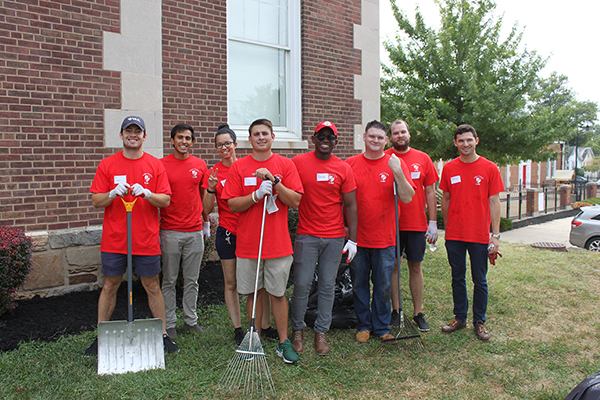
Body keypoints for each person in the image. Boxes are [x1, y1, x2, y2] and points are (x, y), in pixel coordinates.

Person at [86, 116, 178, 355]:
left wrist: (147, 194)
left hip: (145, 239)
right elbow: (96, 200)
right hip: (115, 239)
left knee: (152, 286)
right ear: (121, 135)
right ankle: (101, 336)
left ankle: (163, 335)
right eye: (129, 131)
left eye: (138, 131)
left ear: (144, 136)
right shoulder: (107, 165)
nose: (133, 135)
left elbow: (166, 200)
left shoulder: (155, 165)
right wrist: (112, 193)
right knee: (110, 285)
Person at [221, 118, 303, 364]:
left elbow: (295, 201)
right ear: (250, 138)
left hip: (278, 244)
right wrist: (256, 194)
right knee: (252, 293)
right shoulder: (239, 167)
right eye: (256, 134)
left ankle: (282, 342)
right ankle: (253, 338)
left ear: (272, 137)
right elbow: (232, 204)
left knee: (277, 294)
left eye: (265, 133)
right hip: (248, 244)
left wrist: (275, 183)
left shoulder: (285, 165)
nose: (261, 137)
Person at [203, 124, 279, 346]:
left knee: (258, 281)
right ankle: (238, 328)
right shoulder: (213, 172)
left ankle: (264, 326)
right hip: (228, 232)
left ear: (236, 144)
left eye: (228, 143)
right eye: (219, 145)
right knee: (231, 283)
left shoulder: (248, 167)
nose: (224, 147)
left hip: (251, 230)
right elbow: (206, 209)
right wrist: (210, 188)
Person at [290, 121, 358, 356]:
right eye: (321, 136)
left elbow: (350, 204)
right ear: (313, 138)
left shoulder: (343, 168)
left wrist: (353, 240)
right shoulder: (298, 163)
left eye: (330, 137)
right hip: (306, 234)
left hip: (334, 236)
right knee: (302, 284)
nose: (325, 140)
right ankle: (297, 330)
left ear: (336, 141)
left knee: (328, 285)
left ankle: (321, 331)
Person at [345, 120, 416, 343]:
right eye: (371, 136)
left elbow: (407, 197)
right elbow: (342, 201)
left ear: (386, 140)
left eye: (380, 137)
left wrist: (398, 173)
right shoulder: (350, 164)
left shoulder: (395, 163)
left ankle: (381, 326)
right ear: (364, 137)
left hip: (385, 238)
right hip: (358, 239)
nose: (375, 140)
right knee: (359, 284)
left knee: (383, 285)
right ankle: (364, 324)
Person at [439, 124, 503, 341]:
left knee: (480, 279)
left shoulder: (489, 168)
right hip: (455, 235)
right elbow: (445, 199)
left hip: (479, 235)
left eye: (469, 140)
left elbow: (494, 202)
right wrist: (448, 227)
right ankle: (460, 318)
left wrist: (495, 235)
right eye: (460, 140)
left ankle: (479, 321)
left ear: (476, 140)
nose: (465, 144)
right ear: (456, 143)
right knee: (457, 277)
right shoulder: (449, 168)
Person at [386, 120, 439, 332]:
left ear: (409, 134)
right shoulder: (386, 157)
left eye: (403, 132)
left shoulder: (423, 158)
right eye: (395, 133)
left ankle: (418, 313)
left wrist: (433, 222)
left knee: (415, 266)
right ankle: (396, 311)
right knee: (394, 267)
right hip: (391, 224)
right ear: (391, 137)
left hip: (416, 223)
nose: (400, 135)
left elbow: (429, 192)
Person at [159, 123, 209, 340]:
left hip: (194, 231)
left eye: (188, 138)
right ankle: (169, 323)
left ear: (193, 142)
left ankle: (191, 320)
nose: (184, 142)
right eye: (180, 138)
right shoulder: (161, 165)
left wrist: (206, 223)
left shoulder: (200, 165)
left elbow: (203, 196)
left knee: (192, 280)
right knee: (169, 280)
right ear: (172, 140)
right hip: (170, 231)